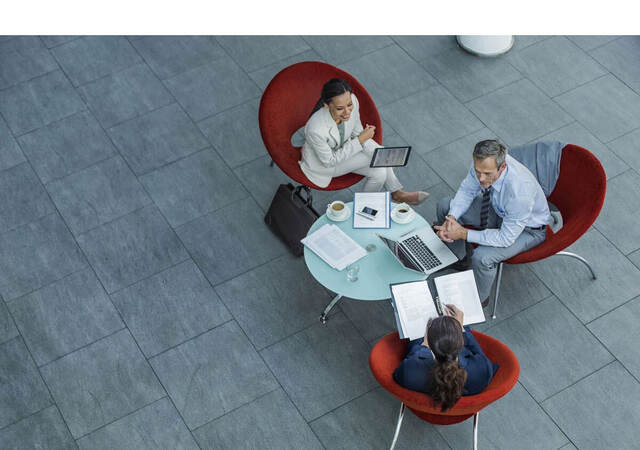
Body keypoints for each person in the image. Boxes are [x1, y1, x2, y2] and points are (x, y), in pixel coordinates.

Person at [434, 140, 550, 306]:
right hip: (499, 210)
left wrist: (463, 233)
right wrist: (452, 218)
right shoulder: (482, 164)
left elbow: (505, 238)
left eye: (487, 174)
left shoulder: (519, 193)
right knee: (445, 206)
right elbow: (468, 190)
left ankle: (480, 299)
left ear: (502, 168)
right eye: (478, 171)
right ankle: (459, 258)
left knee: (482, 257)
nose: (481, 178)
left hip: (528, 230)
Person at [299, 78, 428, 204]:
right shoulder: (315, 129)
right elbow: (329, 161)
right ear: (326, 106)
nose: (347, 112)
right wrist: (373, 148)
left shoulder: (353, 100)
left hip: (344, 149)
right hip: (323, 165)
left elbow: (357, 133)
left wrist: (363, 140)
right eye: (340, 108)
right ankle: (397, 193)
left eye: (349, 105)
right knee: (379, 159)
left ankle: (363, 207)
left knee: (380, 173)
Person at [393, 305, 498, 411]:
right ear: (462, 344)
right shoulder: (482, 370)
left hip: (421, 409)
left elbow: (398, 376)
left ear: (429, 344)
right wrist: (460, 328)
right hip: (461, 413)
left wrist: (423, 346)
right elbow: (477, 352)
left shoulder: (409, 371)